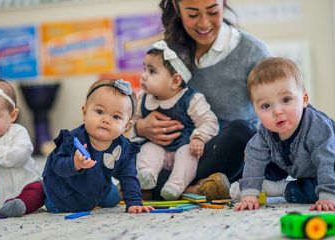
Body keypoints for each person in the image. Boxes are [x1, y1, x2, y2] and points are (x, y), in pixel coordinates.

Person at [132, 0, 270, 200]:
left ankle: (175, 187)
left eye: (213, 11)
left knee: (242, 132)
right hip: (173, 152)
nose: (204, 23)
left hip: (224, 152)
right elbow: (140, 103)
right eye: (193, 14)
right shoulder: (169, 53)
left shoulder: (253, 52)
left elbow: (275, 108)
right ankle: (194, 188)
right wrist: (141, 127)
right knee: (129, 151)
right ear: (177, 7)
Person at [234, 57, 335, 212]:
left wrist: (327, 196)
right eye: (266, 105)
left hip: (329, 167)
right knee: (254, 160)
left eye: (286, 99)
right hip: (294, 164)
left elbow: (327, 161)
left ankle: (282, 189)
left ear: (304, 99)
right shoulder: (265, 133)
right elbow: (254, 158)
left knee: (318, 189)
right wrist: (249, 194)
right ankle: (251, 186)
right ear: (255, 111)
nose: (277, 111)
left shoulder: (317, 126)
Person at [42, 79, 154, 214]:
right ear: (84, 113)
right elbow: (56, 166)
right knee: (56, 206)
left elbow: (128, 176)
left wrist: (134, 203)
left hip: (96, 187)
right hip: (65, 191)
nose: (106, 120)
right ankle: (40, 190)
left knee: (114, 199)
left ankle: (102, 192)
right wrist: (74, 163)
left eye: (116, 117)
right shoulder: (73, 140)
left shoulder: (124, 148)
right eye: (99, 112)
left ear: (126, 126)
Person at [135, 40, 219, 200]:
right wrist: (139, 126)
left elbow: (209, 121)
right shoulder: (143, 99)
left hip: (183, 146)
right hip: (158, 150)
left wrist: (199, 137)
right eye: (144, 68)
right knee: (148, 149)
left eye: (152, 71)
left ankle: (175, 185)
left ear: (175, 81)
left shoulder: (191, 99)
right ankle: (146, 175)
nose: (144, 75)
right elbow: (131, 121)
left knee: (188, 153)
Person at [0, 79, 44, 220]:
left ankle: (19, 205)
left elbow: (22, 154)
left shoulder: (17, 132)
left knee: (40, 190)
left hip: (21, 185)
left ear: (12, 116)